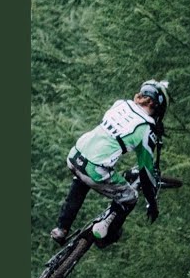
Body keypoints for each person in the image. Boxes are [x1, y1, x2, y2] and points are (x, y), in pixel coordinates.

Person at [49, 79, 169, 246]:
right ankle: (103, 235)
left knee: (81, 179)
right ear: (158, 107)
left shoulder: (120, 104)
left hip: (75, 155)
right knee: (130, 197)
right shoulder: (146, 129)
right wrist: (152, 203)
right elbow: (146, 171)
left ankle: (62, 228)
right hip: (95, 170)